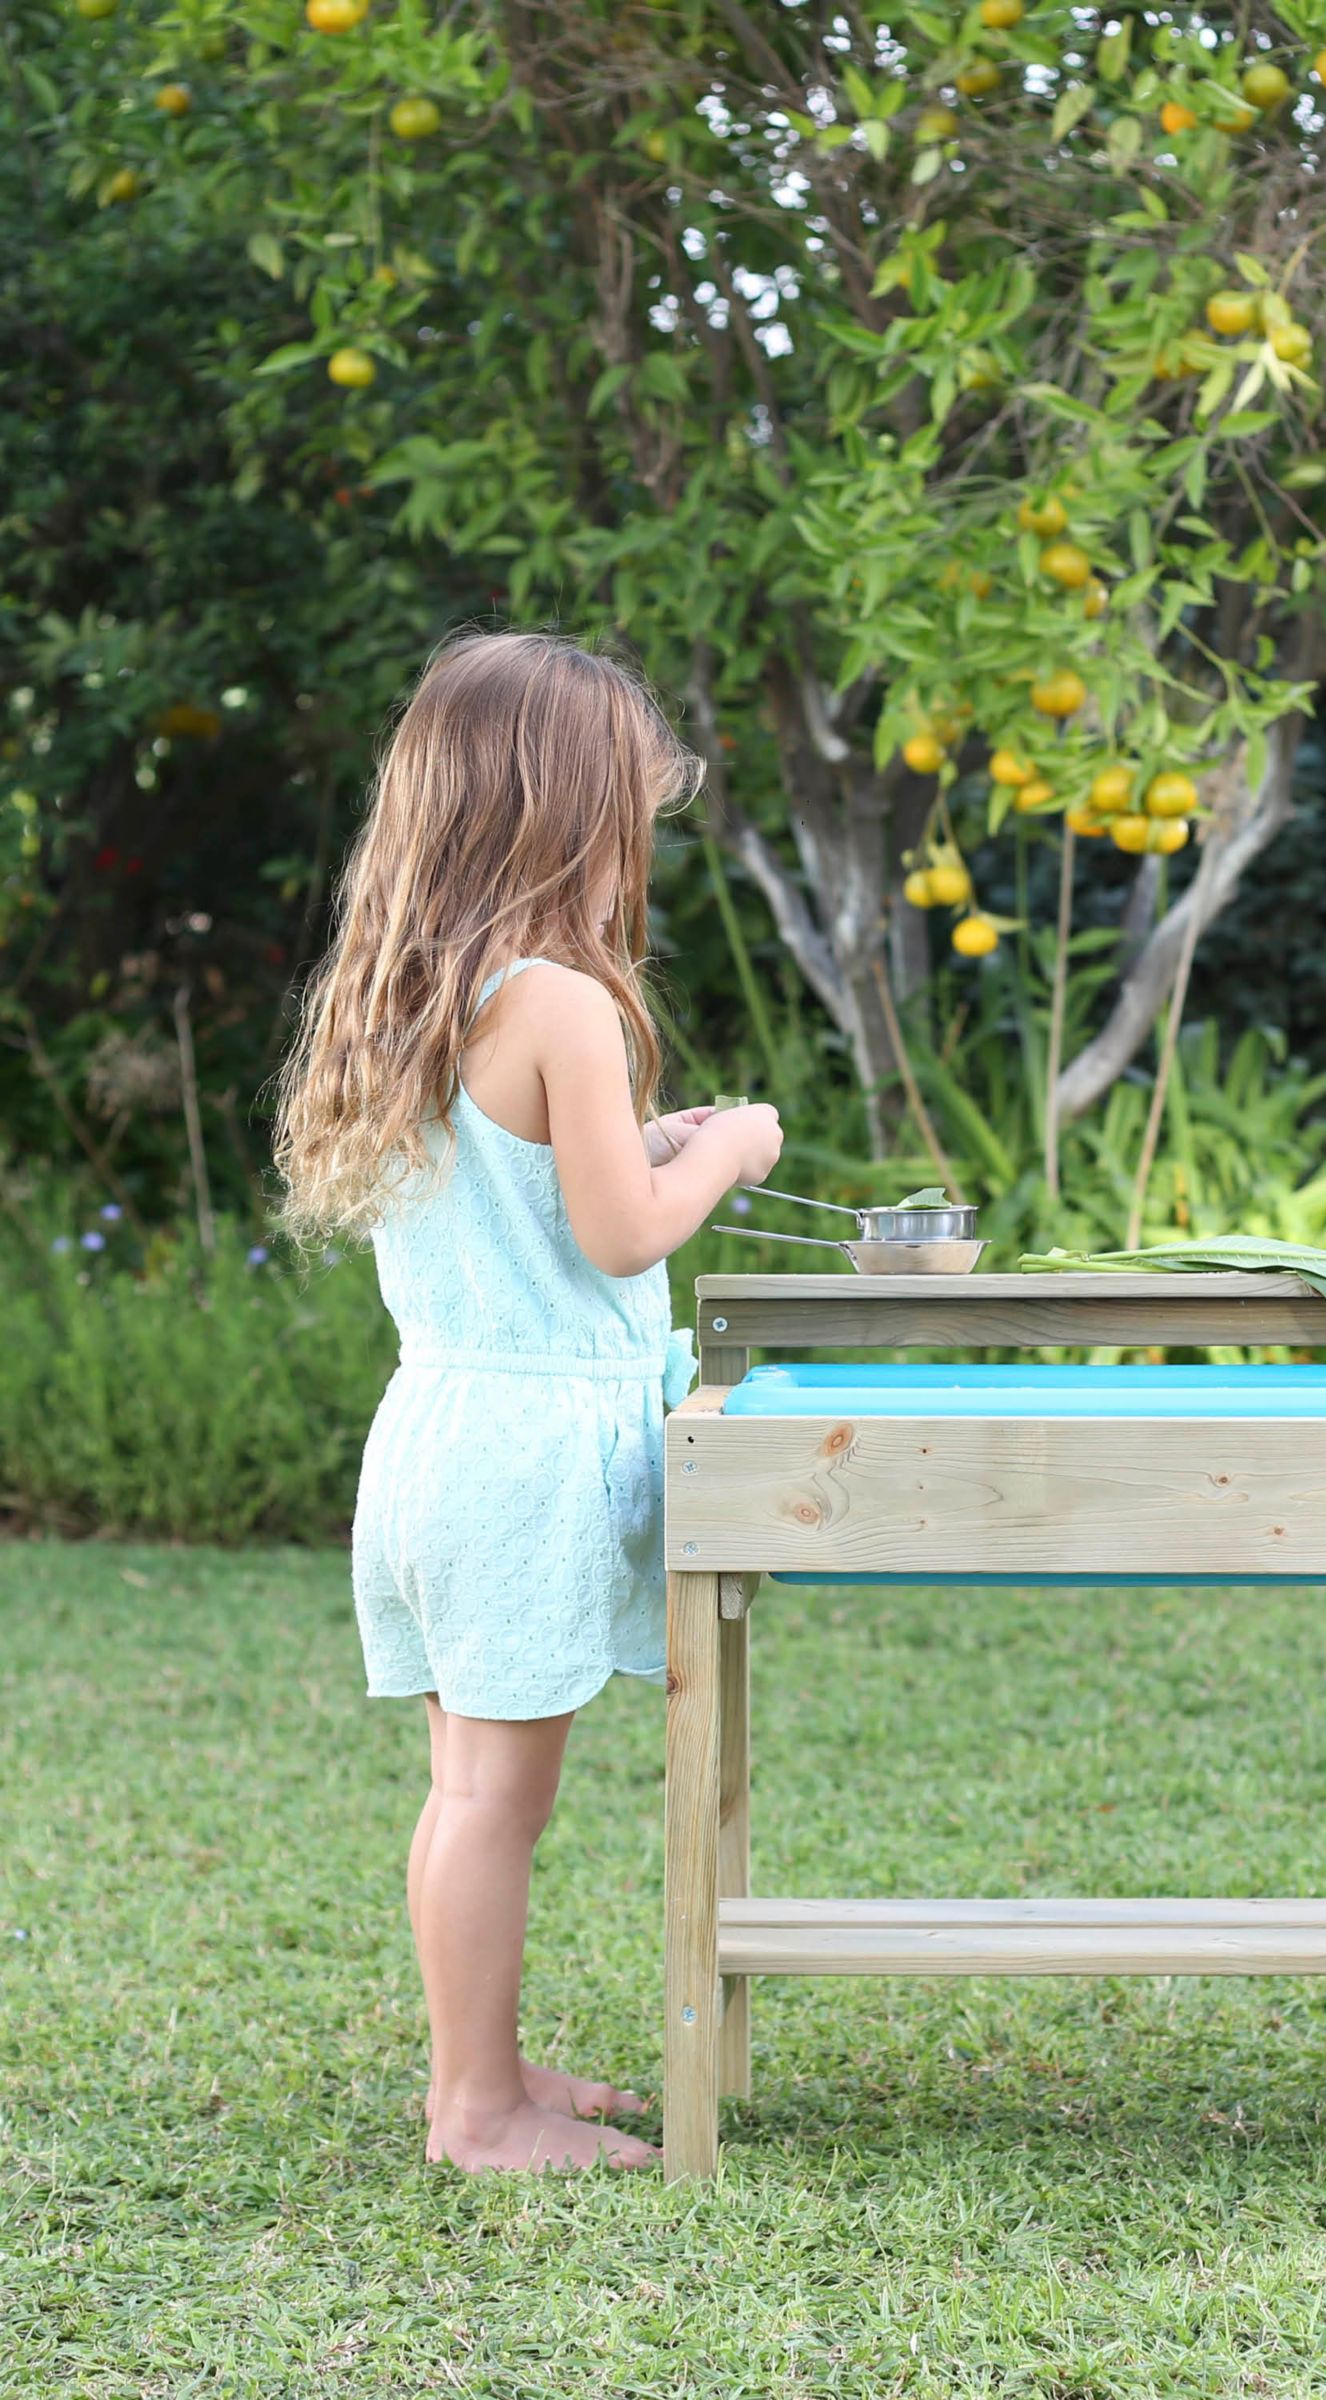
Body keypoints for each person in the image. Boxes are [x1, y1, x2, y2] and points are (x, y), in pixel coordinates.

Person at [274, 631, 784, 2172]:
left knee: (473, 1789)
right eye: (630, 805)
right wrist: (733, 1149)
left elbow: (548, 1198)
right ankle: (473, 2110)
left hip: (441, 1433)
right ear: (567, 811)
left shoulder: (422, 991)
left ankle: (484, 2068)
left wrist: (647, 1138)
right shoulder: (560, 995)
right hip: (524, 1457)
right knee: (499, 1798)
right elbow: (626, 1234)